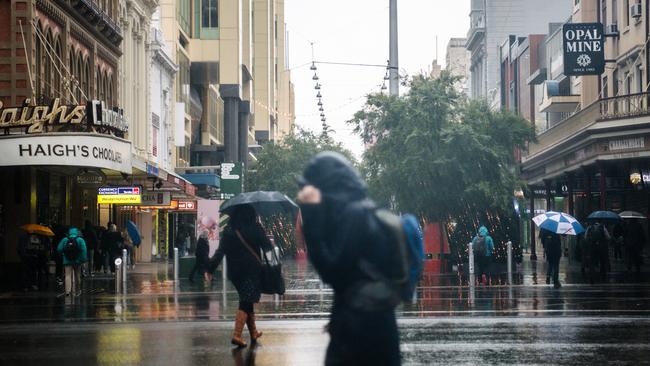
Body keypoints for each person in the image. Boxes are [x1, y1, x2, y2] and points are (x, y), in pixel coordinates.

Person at [297, 151, 401, 366]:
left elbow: (331, 270)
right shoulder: (363, 211)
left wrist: (311, 215)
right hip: (372, 320)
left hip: (360, 326)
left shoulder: (354, 216)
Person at [210, 205, 266, 348]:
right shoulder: (255, 228)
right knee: (246, 301)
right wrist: (274, 264)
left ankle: (253, 332)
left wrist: (210, 269)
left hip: (235, 274)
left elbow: (220, 252)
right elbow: (268, 248)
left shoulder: (229, 231)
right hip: (251, 271)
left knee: (248, 298)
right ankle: (237, 335)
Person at [56, 227, 87, 296]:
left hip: (67, 260)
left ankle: (68, 292)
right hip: (77, 261)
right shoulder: (80, 240)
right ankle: (78, 291)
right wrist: (83, 260)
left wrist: (63, 255)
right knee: (77, 275)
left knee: (67, 275)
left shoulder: (65, 239)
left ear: (69, 232)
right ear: (77, 232)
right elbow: (84, 250)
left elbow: (59, 249)